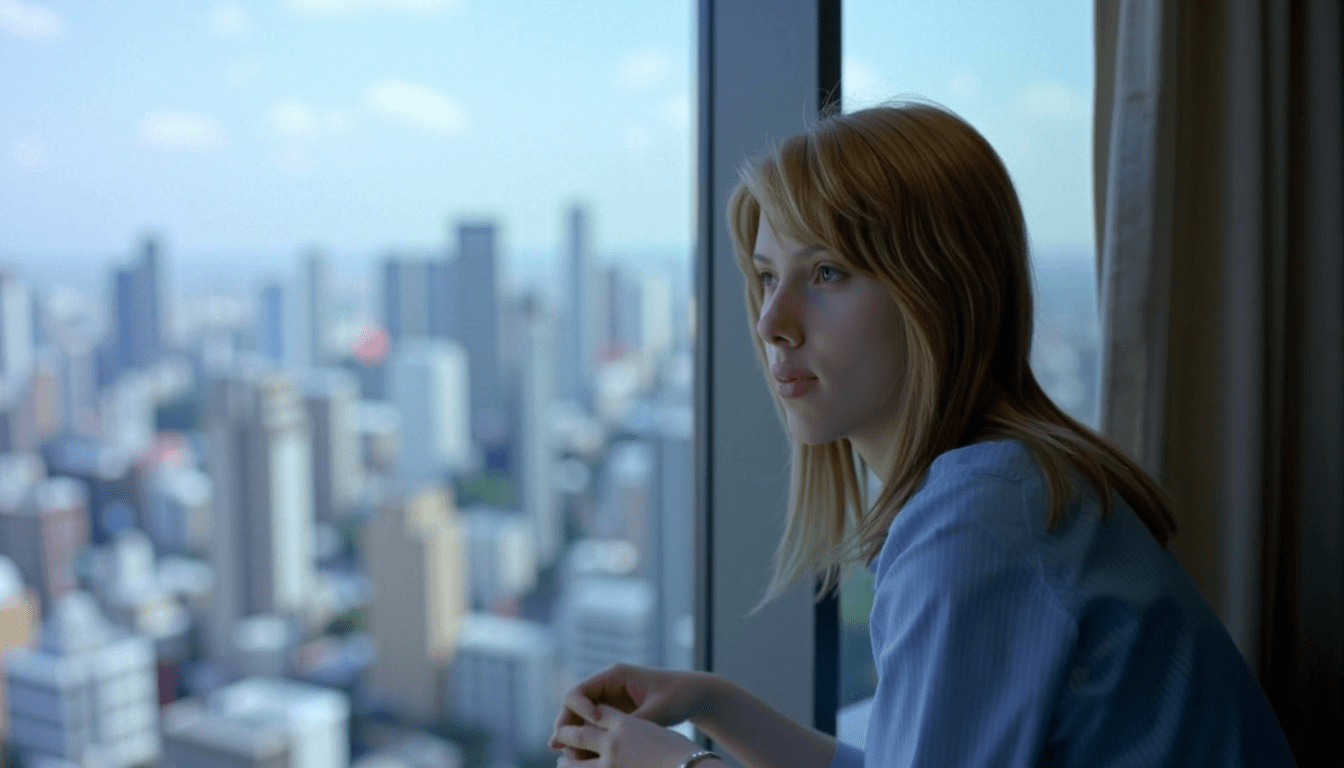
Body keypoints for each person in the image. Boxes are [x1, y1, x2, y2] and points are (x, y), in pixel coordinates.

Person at [549, 102, 1298, 768]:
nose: (772, 323)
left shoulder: (978, 522)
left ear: (935, 292)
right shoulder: (1016, 486)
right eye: (766, 275)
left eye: (828, 273)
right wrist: (716, 703)